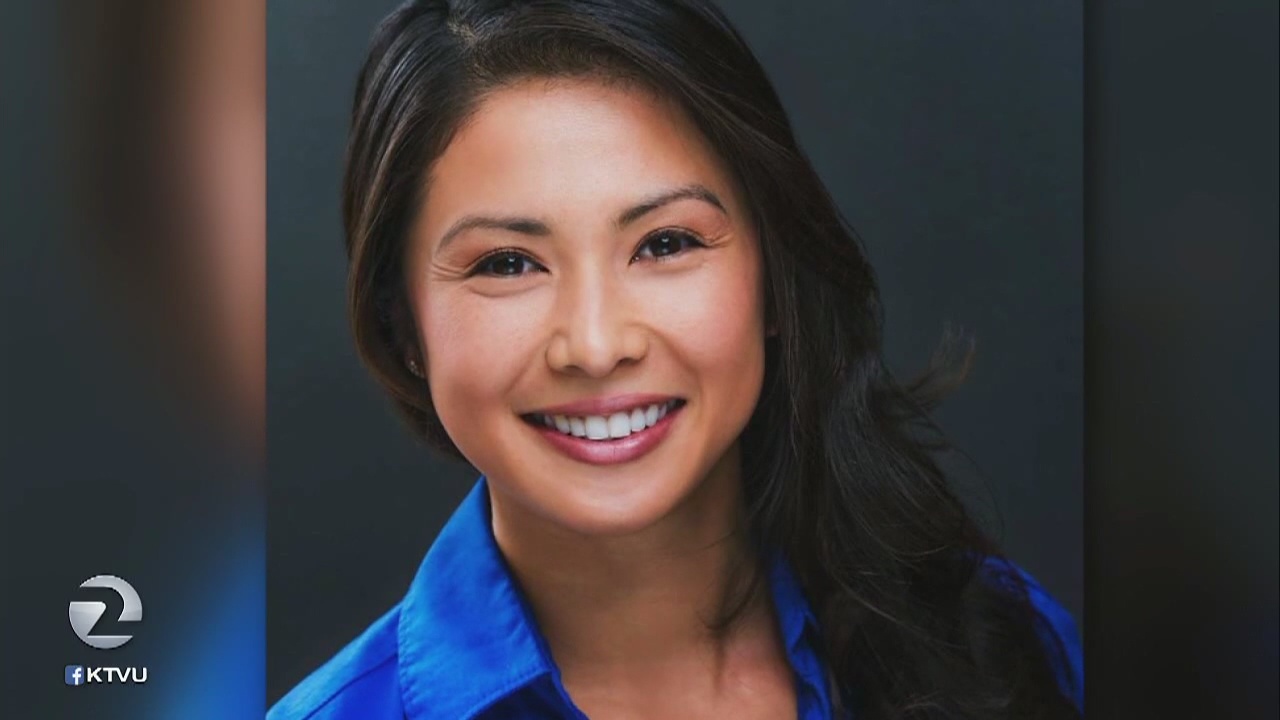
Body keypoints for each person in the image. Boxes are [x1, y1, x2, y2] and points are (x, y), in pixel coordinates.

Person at [269, 1, 1083, 717]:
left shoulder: (1004, 650)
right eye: (508, 263)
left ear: (775, 283)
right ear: (403, 327)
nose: (595, 345)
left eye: (665, 244)